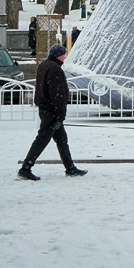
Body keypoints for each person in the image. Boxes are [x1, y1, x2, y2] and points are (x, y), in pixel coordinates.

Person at [18, 44, 87, 180]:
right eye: (63, 54)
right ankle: (26, 167)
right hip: (52, 112)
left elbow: (43, 89)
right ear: (58, 56)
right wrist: (60, 113)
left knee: (62, 140)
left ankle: (70, 168)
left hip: (46, 109)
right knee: (42, 140)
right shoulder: (55, 69)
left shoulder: (44, 65)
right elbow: (57, 94)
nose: (65, 57)